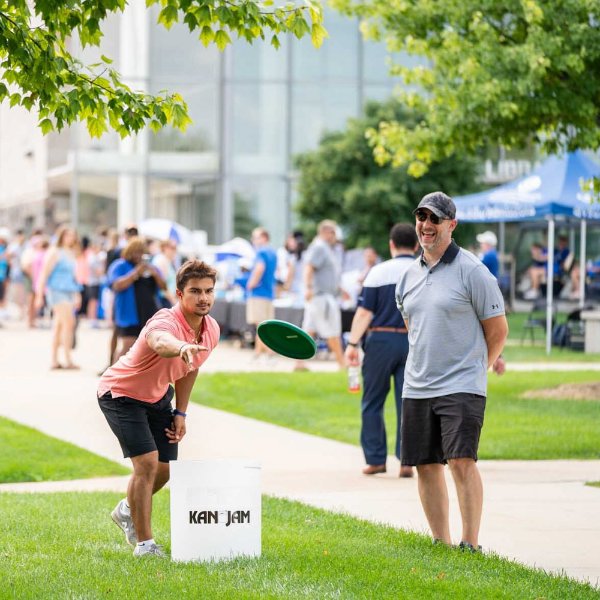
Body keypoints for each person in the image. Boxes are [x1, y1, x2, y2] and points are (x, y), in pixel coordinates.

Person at [395, 191, 508, 552]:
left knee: (461, 461)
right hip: (417, 385)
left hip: (462, 384)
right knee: (425, 465)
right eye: (421, 217)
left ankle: (470, 542)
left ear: (451, 225)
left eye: (435, 219)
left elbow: (498, 330)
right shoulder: (407, 276)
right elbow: (413, 326)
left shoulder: (473, 271)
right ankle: (440, 542)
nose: (426, 225)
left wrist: (478, 368)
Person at [98, 260, 220, 557]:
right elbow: (159, 341)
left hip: (157, 398)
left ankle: (126, 510)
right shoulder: (164, 321)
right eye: (195, 291)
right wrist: (180, 347)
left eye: (209, 291)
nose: (203, 298)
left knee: (164, 471)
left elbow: (191, 369)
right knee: (147, 464)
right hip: (121, 394)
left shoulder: (210, 329)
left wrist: (181, 412)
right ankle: (145, 545)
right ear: (179, 294)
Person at [344, 223, 418, 478]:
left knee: (372, 402)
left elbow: (365, 312)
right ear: (417, 245)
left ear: (391, 245)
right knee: (408, 402)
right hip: (413, 342)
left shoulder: (378, 272)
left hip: (380, 341)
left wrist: (353, 344)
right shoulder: (424, 270)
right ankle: (407, 461)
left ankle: (376, 460)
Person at [106, 237, 166, 363]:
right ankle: (113, 376)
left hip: (147, 313)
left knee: (148, 349)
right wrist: (135, 273)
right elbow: (116, 285)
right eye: (135, 252)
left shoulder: (151, 267)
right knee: (127, 346)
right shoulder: (120, 265)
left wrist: (155, 274)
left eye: (141, 252)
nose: (138, 256)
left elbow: (163, 287)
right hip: (128, 313)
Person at [296, 220, 345, 371]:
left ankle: (299, 363)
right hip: (321, 296)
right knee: (332, 330)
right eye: (333, 233)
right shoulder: (319, 247)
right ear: (326, 232)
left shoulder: (325, 248)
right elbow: (309, 267)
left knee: (309, 331)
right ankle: (342, 364)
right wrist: (308, 287)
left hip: (321, 295)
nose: (335, 236)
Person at [34, 225, 82, 369]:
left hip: (69, 291)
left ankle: (55, 360)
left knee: (59, 326)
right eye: (67, 235)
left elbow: (73, 277)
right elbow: (44, 274)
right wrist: (39, 295)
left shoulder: (71, 253)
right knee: (69, 323)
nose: (71, 238)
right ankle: (68, 359)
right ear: (61, 236)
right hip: (56, 291)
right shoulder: (54, 252)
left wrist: (77, 294)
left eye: (72, 235)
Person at [245, 227, 277, 360]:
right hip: (269, 293)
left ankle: (266, 353)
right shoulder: (273, 253)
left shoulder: (261, 252)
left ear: (264, 238)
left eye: (256, 237)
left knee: (261, 326)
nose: (254, 240)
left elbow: (259, 268)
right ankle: (260, 353)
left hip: (258, 293)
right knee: (265, 326)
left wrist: (250, 283)